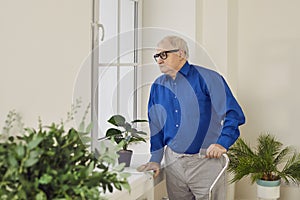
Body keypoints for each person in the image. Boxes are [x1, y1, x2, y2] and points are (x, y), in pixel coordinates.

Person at [137, 35, 245, 200]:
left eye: (163, 55)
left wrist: (222, 143)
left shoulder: (208, 78)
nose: (159, 60)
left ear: (180, 53)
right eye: (157, 56)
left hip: (206, 162)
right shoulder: (157, 86)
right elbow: (156, 125)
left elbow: (233, 113)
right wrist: (155, 159)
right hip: (173, 164)